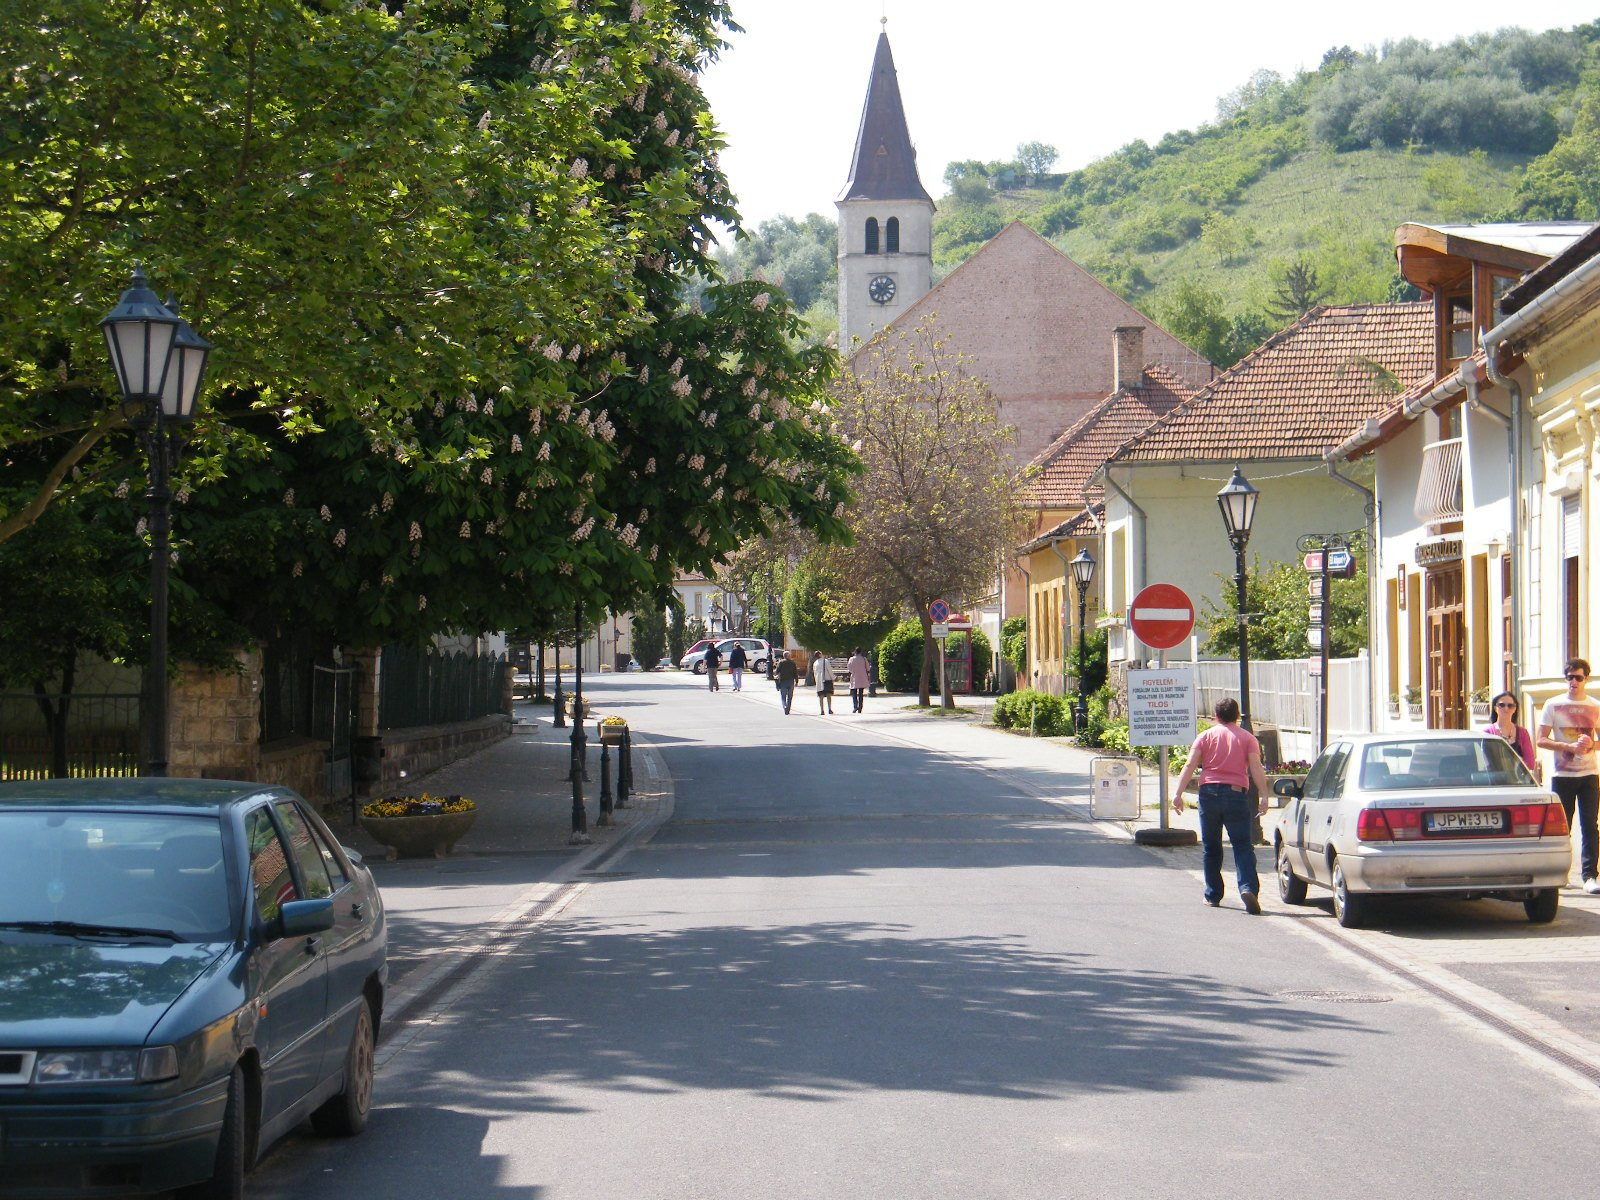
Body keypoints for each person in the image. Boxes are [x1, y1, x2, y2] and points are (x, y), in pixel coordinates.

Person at [1172, 697, 1271, 914]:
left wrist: (1178, 793)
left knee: (1211, 846)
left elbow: (1190, 763)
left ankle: (1213, 894)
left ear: (1216, 716)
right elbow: (1255, 767)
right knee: (1243, 845)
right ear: (1237, 715)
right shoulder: (1247, 739)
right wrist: (1264, 795)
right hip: (1236, 794)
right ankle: (1248, 888)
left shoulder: (1205, 736)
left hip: (1208, 793)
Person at [1537, 657, 1600, 894]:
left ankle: (1590, 876)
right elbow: (1541, 739)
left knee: (1590, 825)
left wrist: (1589, 745)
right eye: (1570, 677)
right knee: (1562, 827)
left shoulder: (1594, 705)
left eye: (1578, 678)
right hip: (1562, 774)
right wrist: (1569, 747)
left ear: (1587, 680)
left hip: (1589, 773)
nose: (1573, 682)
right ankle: (1560, 873)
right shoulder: (1553, 705)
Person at [1485, 691, 1538, 778]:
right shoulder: (1487, 732)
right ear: (1495, 708)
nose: (1506, 708)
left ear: (1515, 709)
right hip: (1494, 780)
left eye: (1510, 706)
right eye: (1502, 705)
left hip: (1518, 782)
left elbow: (1530, 763)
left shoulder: (1522, 733)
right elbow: (1485, 760)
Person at [846, 647, 871, 713]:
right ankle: (860, 707)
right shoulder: (864, 659)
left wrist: (853, 671)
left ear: (855, 652)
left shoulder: (851, 659)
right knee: (861, 693)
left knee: (854, 693)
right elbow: (868, 668)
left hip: (854, 677)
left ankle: (855, 706)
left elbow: (849, 668)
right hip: (862, 677)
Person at [812, 650, 835, 715]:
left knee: (821, 696)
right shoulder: (825, 661)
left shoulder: (815, 663)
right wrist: (833, 678)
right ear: (820, 655)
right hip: (827, 679)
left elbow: (814, 673)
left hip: (819, 681)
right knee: (828, 695)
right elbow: (829, 670)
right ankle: (829, 709)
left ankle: (822, 710)